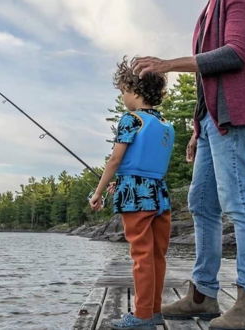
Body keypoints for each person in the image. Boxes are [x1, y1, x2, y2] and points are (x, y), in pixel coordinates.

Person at [131, 0, 245, 329]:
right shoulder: (209, 8)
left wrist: (167, 64)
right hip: (211, 122)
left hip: (234, 117)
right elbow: (205, 83)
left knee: (238, 201)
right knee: (200, 202)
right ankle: (203, 294)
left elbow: (235, 54)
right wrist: (198, 129)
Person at [89, 56, 175, 329]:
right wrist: (122, 182)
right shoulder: (163, 124)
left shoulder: (130, 119)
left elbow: (115, 160)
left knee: (141, 256)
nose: (123, 98)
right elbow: (146, 164)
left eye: (124, 92)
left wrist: (99, 191)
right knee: (157, 255)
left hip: (136, 198)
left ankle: (141, 316)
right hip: (159, 195)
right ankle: (154, 310)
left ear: (135, 92)